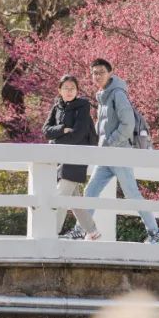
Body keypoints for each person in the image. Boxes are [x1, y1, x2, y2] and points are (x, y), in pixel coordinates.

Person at [82, 58, 159, 245]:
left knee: (132, 194)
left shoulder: (117, 94)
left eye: (101, 72)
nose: (97, 76)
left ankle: (155, 233)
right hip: (106, 155)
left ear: (110, 73)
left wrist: (110, 142)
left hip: (119, 153)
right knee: (90, 190)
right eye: (94, 73)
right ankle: (84, 230)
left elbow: (128, 124)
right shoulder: (102, 95)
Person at [44, 75, 101, 240]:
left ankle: (51, 232)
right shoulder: (57, 107)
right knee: (73, 199)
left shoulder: (83, 106)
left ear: (77, 90)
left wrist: (55, 139)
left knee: (61, 196)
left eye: (72, 88)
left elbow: (78, 135)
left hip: (78, 156)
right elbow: (46, 130)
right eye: (66, 88)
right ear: (59, 90)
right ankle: (92, 231)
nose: (69, 91)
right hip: (62, 158)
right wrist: (62, 129)